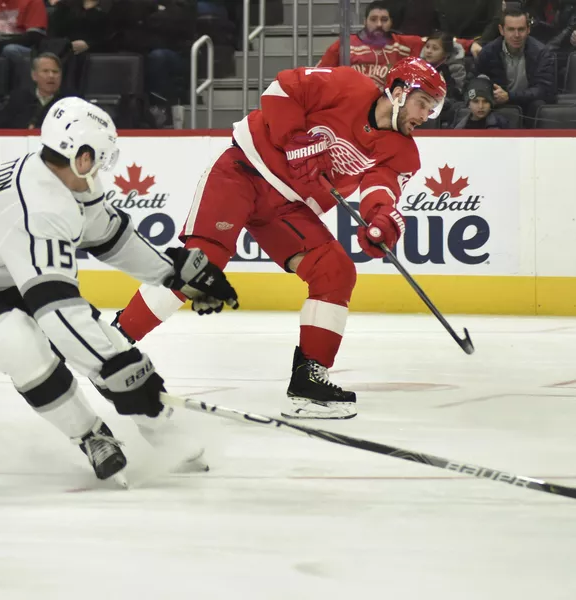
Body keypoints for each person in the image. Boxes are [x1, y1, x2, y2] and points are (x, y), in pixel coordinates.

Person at [0, 97, 238, 485]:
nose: (101, 170)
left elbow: (108, 236)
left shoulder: (64, 177)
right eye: (101, 160)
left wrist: (172, 274)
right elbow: (56, 313)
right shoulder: (39, 209)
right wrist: (113, 368)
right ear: (82, 157)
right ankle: (90, 435)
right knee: (19, 342)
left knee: (104, 341)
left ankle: (161, 429)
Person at [114, 58, 447, 421]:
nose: (426, 115)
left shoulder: (404, 152)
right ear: (398, 93)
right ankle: (113, 343)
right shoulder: (348, 85)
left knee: (335, 271)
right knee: (203, 264)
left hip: (288, 208)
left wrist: (380, 219)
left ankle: (309, 380)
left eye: (432, 108)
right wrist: (294, 139)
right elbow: (282, 89)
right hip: (244, 170)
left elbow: (379, 189)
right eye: (422, 103)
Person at [317, 1, 479, 92]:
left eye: (384, 19)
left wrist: (471, 45)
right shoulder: (345, 45)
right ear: (365, 21)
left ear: (391, 22)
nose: (379, 24)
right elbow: (319, 75)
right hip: (350, 105)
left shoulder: (402, 44)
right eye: (374, 19)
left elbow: (439, 41)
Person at [473, 6, 557, 127]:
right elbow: (472, 82)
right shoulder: (488, 52)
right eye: (511, 29)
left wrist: (509, 96)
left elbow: (545, 90)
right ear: (502, 30)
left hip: (530, 106)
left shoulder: (542, 53)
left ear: (528, 29)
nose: (516, 35)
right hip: (498, 105)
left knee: (538, 104)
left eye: (521, 29)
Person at [0, 52, 67, 128]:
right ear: (34, 75)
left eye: (55, 72)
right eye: (45, 71)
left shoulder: (69, 102)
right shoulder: (18, 99)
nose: (51, 76)